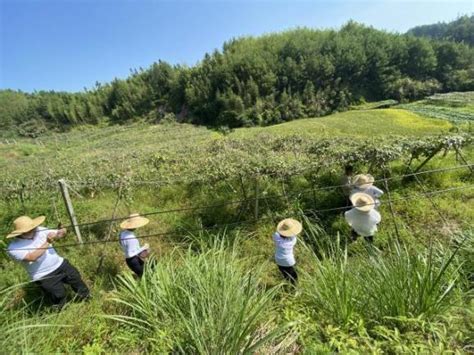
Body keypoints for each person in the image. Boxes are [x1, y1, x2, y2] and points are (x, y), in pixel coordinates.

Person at [6, 215, 90, 309]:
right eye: (29, 229)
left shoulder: (39, 230)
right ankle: (60, 311)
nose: (33, 230)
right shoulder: (13, 248)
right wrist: (47, 242)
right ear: (20, 233)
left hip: (60, 264)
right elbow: (32, 257)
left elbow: (57, 234)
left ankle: (87, 299)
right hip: (43, 275)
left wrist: (62, 231)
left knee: (76, 279)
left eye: (32, 227)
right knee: (59, 295)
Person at [119, 213, 151, 278]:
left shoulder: (123, 233)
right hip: (133, 260)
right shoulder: (131, 237)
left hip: (131, 259)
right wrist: (144, 247)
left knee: (144, 273)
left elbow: (122, 244)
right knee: (144, 276)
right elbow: (130, 254)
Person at [272, 218, 302, 284]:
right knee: (294, 276)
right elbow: (294, 234)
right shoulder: (293, 240)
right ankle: (294, 288)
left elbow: (277, 232)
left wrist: (282, 229)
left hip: (278, 260)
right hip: (288, 261)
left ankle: (287, 284)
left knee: (285, 273)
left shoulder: (276, 237)